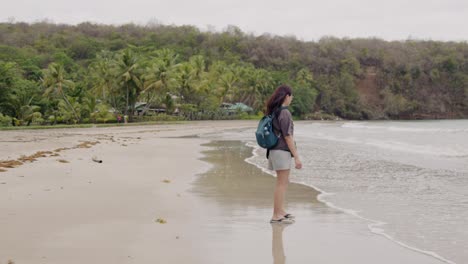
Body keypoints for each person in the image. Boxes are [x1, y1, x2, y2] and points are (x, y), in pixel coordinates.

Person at [266, 85, 302, 224]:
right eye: (291, 96)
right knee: (281, 184)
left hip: (274, 150)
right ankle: (276, 215)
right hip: (281, 151)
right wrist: (297, 157)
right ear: (287, 96)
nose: (292, 99)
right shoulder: (285, 112)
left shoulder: (275, 111)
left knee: (282, 183)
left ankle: (280, 211)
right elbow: (288, 136)